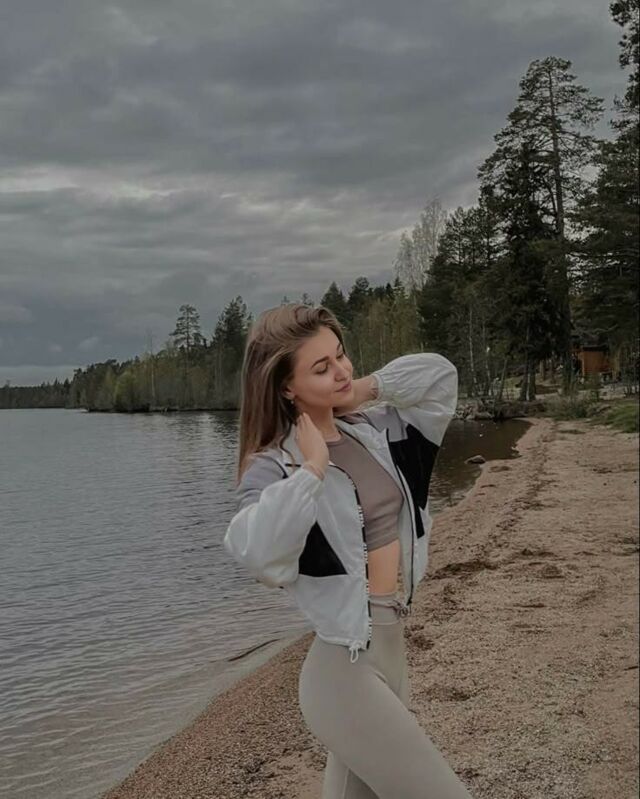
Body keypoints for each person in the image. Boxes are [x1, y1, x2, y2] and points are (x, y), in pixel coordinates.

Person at [223, 303, 474, 798]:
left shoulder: (374, 430)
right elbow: (259, 556)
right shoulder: (276, 465)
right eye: (322, 368)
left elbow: (440, 378)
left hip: (393, 644)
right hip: (343, 670)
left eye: (340, 355)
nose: (341, 370)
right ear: (286, 388)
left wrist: (364, 389)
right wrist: (313, 470)